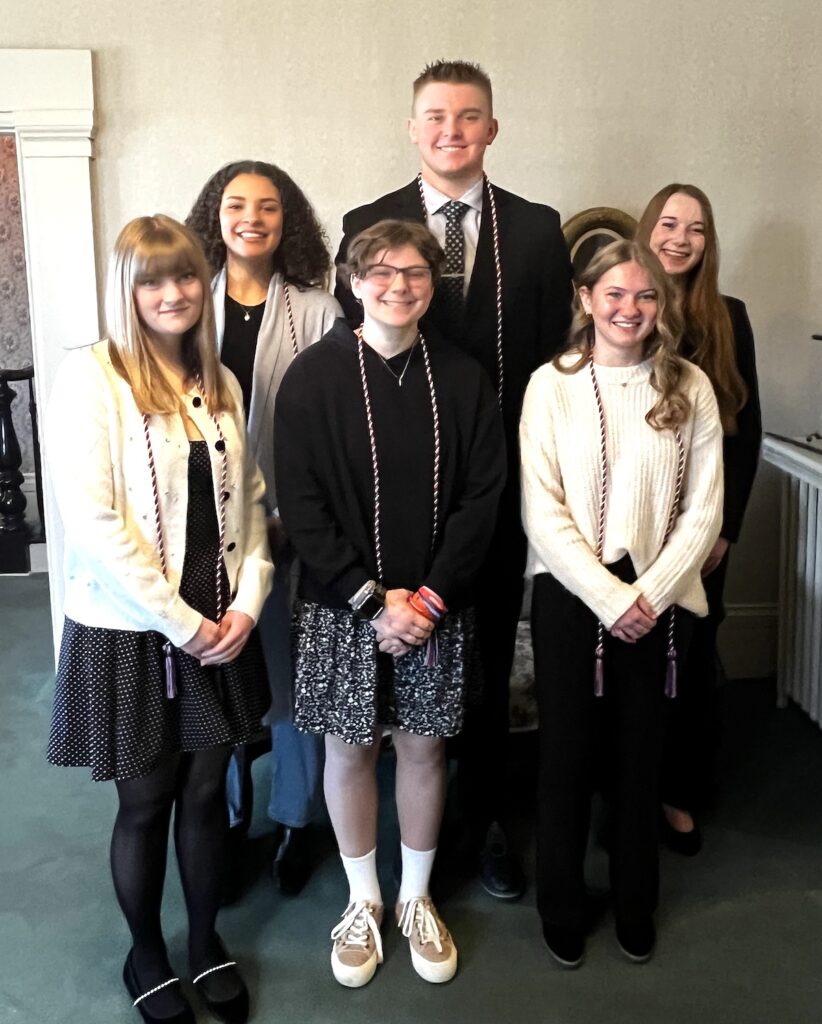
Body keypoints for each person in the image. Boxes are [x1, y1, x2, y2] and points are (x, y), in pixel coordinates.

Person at [335, 58, 573, 899]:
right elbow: (352, 365)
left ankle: (488, 820)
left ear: (492, 130)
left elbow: (554, 370)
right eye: (436, 116)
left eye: (469, 116)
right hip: (391, 509)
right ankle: (388, 847)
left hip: (499, 498)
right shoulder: (368, 223)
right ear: (412, 127)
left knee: (487, 668)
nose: (451, 130)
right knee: (399, 675)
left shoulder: (540, 231)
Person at [45, 215, 273, 1024]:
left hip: (220, 625)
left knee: (208, 792)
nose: (173, 293)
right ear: (127, 290)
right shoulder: (93, 378)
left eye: (183, 277)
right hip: (135, 629)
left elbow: (249, 505)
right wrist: (183, 622)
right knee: (146, 799)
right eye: (152, 280)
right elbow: (96, 524)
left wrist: (246, 605)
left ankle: (205, 939)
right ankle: (146, 952)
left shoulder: (221, 380)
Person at [276, 219, 505, 987]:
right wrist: (374, 602)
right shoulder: (312, 376)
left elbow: (483, 497)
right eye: (381, 271)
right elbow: (301, 506)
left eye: (414, 273)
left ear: (433, 285)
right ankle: (363, 900)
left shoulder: (465, 377)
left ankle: (415, 898)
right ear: (351, 279)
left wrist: (430, 600)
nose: (398, 285)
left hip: (437, 607)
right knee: (349, 748)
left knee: (423, 747)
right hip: (343, 606)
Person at [520, 239, 723, 967]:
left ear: (659, 306)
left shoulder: (689, 386)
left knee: (642, 761)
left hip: (661, 599)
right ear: (586, 299)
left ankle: (638, 902)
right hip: (573, 597)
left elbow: (705, 507)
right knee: (566, 761)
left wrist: (653, 594)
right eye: (614, 294)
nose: (628, 309)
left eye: (644, 297)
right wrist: (609, 596)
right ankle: (562, 904)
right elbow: (541, 511)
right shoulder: (551, 385)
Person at [187, 160, 341, 894]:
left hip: (288, 529)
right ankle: (228, 816)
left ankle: (292, 823)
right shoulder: (191, 303)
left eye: (270, 207)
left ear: (289, 222)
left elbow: (333, 429)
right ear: (215, 216)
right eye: (238, 204)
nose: (253, 217)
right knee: (220, 675)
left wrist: (288, 516)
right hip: (202, 533)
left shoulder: (315, 311)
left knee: (289, 680)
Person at [636, 184, 762, 854]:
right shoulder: (622, 307)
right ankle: (628, 787)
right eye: (668, 223)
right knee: (633, 664)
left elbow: (748, 431)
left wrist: (726, 528)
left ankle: (679, 793)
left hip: (705, 530)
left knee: (689, 662)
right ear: (647, 229)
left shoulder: (730, 317)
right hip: (631, 526)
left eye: (696, 228)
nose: (680, 238)